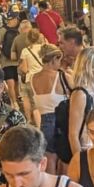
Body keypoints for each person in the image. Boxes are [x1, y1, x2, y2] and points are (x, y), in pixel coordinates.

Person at [66, 47, 94, 159]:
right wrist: (80, 162)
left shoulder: (93, 89)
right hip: (89, 151)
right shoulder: (80, 93)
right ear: (93, 66)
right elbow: (73, 134)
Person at [30, 45, 65, 173]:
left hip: (44, 124)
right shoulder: (61, 76)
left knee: (49, 160)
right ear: (55, 58)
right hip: (61, 123)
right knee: (64, 161)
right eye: (60, 60)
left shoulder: (33, 78)